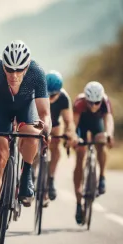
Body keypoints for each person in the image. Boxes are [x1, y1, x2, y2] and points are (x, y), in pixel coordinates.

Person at [0, 40, 51, 244]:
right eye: (9, 69)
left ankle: (26, 173)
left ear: (27, 67)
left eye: (19, 70)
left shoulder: (37, 72)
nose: (14, 74)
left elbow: (45, 114)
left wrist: (45, 129)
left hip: (25, 109)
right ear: (3, 65)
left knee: (32, 133)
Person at [73, 81, 114, 225]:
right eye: (90, 103)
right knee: (80, 155)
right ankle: (79, 203)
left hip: (97, 126)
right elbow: (74, 123)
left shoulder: (105, 101)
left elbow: (108, 120)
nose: (94, 106)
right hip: (82, 126)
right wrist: (74, 137)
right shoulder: (79, 102)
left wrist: (109, 135)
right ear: (86, 100)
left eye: (97, 103)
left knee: (102, 144)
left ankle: (102, 176)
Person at [44, 70, 77, 203]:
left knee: (56, 144)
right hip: (40, 122)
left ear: (59, 91)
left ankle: (51, 178)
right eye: (48, 94)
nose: (50, 98)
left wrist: (70, 133)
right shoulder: (39, 93)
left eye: (53, 95)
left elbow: (69, 121)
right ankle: (31, 175)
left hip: (55, 124)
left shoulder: (64, 98)